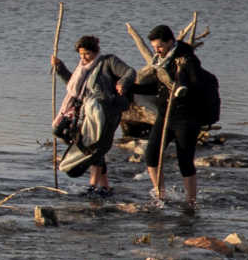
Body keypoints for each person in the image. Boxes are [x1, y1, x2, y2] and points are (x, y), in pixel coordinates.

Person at [129, 24, 211, 212]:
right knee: (151, 155)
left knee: (185, 160)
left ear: (170, 41)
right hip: (164, 115)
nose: (156, 50)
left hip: (186, 117)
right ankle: (160, 194)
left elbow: (197, 85)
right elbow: (157, 90)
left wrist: (181, 86)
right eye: (154, 47)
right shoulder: (160, 61)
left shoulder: (187, 59)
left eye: (159, 46)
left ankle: (191, 202)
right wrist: (131, 88)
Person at [52, 34, 133, 198]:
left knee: (96, 148)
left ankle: (93, 186)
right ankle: (104, 187)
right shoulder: (82, 69)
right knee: (90, 147)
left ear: (96, 51)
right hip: (86, 114)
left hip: (107, 114)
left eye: (87, 54)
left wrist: (122, 84)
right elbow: (74, 88)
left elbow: (130, 72)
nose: (84, 57)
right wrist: (60, 68)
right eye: (81, 54)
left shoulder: (108, 62)